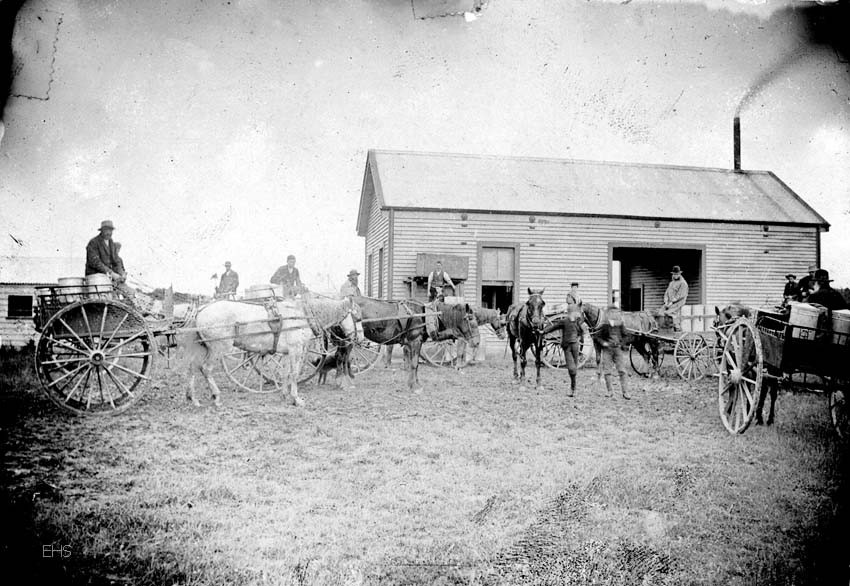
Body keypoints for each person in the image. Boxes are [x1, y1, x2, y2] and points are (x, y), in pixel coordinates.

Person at [541, 303, 583, 397]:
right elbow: (553, 327)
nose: (576, 314)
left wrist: (578, 339)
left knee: (574, 367)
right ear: (571, 313)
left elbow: (581, 332)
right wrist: (543, 331)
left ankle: (573, 388)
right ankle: (573, 387)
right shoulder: (564, 321)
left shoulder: (577, 322)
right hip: (567, 347)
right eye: (575, 312)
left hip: (575, 346)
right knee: (571, 368)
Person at [597, 304, 630, 400]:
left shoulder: (620, 325)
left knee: (622, 370)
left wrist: (621, 344)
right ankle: (610, 391)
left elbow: (626, 336)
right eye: (612, 314)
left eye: (616, 314)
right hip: (607, 350)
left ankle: (625, 392)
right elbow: (597, 337)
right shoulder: (605, 326)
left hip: (617, 350)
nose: (614, 316)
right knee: (607, 371)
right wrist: (603, 343)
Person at [662, 266, 689, 332]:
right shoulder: (671, 283)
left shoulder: (683, 283)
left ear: (680, 274)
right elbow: (666, 293)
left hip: (678, 303)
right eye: (674, 274)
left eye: (677, 274)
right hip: (669, 302)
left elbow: (680, 295)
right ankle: (665, 328)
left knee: (669, 313)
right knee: (660, 312)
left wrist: (672, 302)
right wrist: (666, 302)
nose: (675, 275)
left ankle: (677, 328)